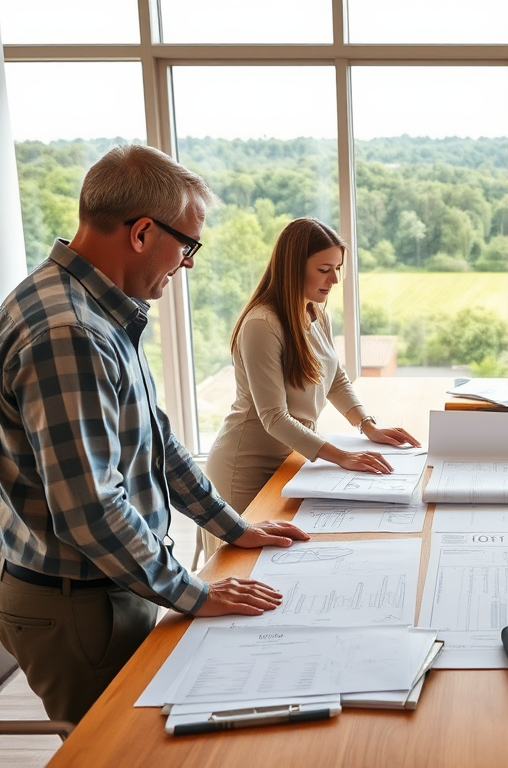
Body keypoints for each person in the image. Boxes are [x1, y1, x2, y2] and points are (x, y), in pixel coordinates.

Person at [0, 145, 308, 724]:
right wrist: (194, 591)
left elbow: (156, 441)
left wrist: (232, 527)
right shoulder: (71, 332)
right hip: (81, 605)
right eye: (187, 243)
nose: (188, 262)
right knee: (122, 754)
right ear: (142, 232)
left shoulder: (96, 312)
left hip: (108, 586)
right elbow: (91, 508)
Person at [203, 217, 419, 554]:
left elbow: (333, 375)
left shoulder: (316, 312)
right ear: (293, 267)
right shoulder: (262, 324)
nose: (334, 280)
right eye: (324, 269)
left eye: (337, 269)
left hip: (289, 461)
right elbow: (273, 417)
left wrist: (367, 425)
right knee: (243, 567)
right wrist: (342, 457)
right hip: (245, 470)